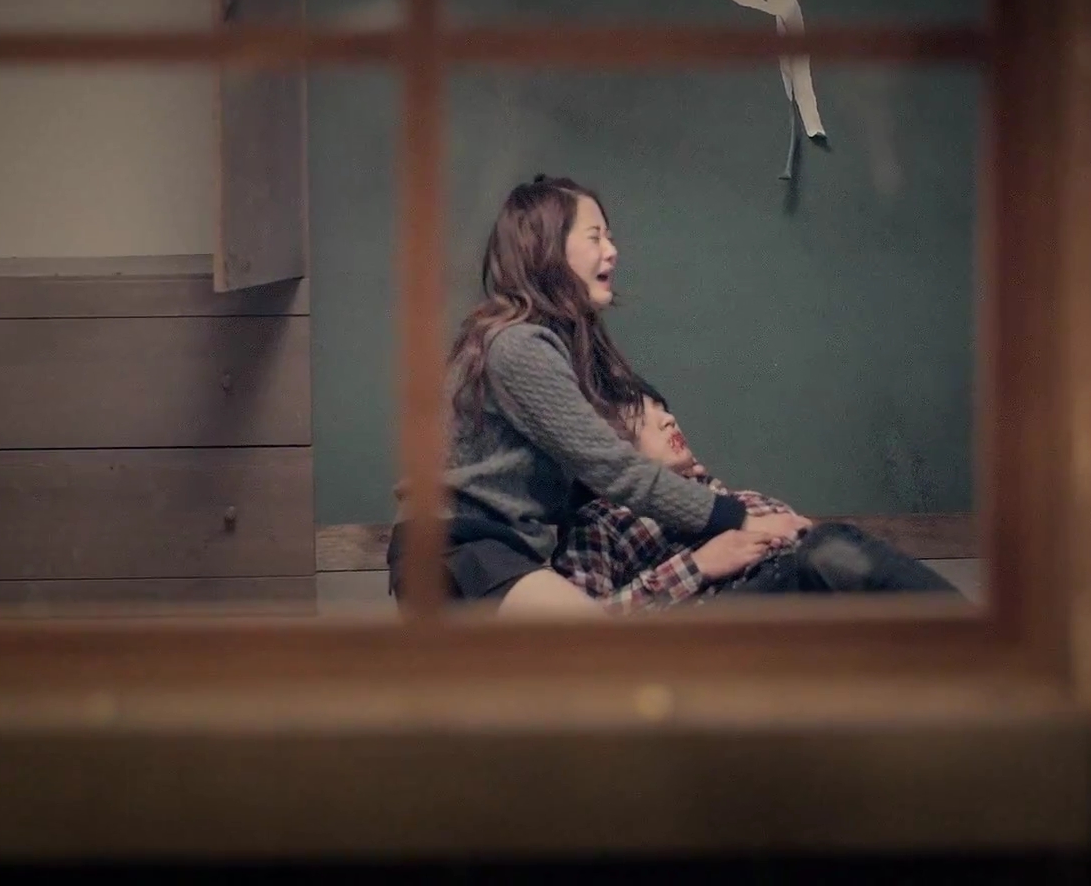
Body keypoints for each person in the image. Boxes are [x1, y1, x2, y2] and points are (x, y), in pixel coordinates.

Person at [386, 175, 813, 615]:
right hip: (453, 547)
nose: (612, 250)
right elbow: (612, 467)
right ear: (547, 248)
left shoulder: (558, 346)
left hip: (500, 550)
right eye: (595, 237)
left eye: (610, 237)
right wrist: (740, 518)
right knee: (596, 644)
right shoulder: (518, 345)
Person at [553, 383, 960, 611]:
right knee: (832, 551)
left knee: (840, 557)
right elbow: (583, 628)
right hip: (729, 609)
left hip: (805, 584)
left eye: (665, 408)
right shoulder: (602, 519)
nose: (669, 419)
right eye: (644, 416)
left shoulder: (733, 497)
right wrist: (697, 566)